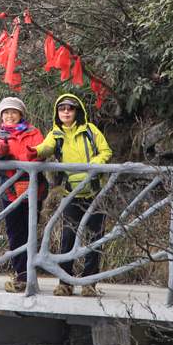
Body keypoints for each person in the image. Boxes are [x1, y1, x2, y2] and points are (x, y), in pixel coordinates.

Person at [35, 93, 112, 297]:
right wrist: (33, 151)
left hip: (95, 192)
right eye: (62, 109)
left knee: (95, 239)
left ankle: (89, 283)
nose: (66, 112)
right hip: (71, 194)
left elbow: (105, 151)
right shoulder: (56, 134)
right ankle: (65, 283)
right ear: (57, 113)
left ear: (77, 112)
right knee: (67, 238)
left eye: (70, 108)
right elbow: (45, 148)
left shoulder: (90, 130)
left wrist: (95, 164)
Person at [0, 96, 45, 293]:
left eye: (13, 112)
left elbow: (40, 151)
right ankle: (21, 274)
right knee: (14, 233)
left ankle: (29, 273)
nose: (10, 116)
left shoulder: (34, 132)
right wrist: (3, 147)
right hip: (11, 192)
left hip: (33, 190)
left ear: (21, 114)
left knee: (30, 231)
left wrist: (29, 156)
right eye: (6, 113)